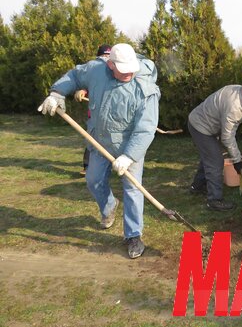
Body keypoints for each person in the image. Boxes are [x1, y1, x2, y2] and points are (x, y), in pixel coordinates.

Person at [38, 43, 160, 259]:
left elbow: (146, 128)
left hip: (130, 145)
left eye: (131, 68)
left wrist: (129, 156)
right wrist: (57, 93)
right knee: (93, 180)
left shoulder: (144, 87)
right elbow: (75, 76)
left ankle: (133, 236)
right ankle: (109, 206)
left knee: (132, 190)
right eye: (123, 69)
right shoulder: (96, 70)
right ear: (110, 64)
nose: (129, 73)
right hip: (99, 140)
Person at [188, 76, 242, 211]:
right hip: (200, 126)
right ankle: (214, 200)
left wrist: (236, 155)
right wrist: (237, 160)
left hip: (207, 123)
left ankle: (197, 186)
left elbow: (230, 129)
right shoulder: (235, 106)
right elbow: (227, 136)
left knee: (210, 156)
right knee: (216, 160)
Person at [74, 45, 112, 176]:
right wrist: (83, 91)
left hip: (112, 117)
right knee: (92, 141)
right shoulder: (94, 71)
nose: (106, 58)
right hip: (95, 116)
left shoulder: (115, 72)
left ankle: (115, 165)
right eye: (104, 56)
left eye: (108, 56)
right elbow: (88, 85)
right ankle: (87, 167)